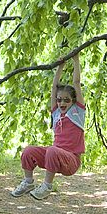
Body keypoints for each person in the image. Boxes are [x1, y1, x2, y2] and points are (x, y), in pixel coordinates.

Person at [11, 53, 85, 200]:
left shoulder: (77, 112)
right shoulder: (56, 113)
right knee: (28, 151)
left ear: (74, 101)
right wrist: (60, 66)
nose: (62, 103)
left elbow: (76, 83)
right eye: (59, 100)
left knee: (52, 150)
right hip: (55, 156)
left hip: (70, 160)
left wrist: (76, 60)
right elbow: (53, 88)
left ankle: (47, 186)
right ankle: (28, 182)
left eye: (66, 100)